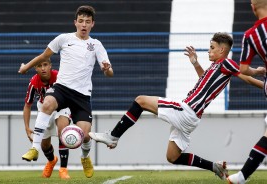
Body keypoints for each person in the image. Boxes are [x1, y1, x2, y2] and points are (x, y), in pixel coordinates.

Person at [89, 32, 264, 180]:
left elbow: (245, 76)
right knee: (172, 157)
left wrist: (261, 81)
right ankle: (215, 167)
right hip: (192, 117)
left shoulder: (226, 63)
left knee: (140, 100)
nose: (209, 50)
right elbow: (204, 80)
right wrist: (195, 62)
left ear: (222, 49)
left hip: (187, 110)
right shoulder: (217, 67)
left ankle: (113, 136)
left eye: (212, 47)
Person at [18, 5, 114, 178]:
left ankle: (85, 158)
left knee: (85, 135)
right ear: (75, 22)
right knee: (46, 104)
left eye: (88, 22)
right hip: (62, 89)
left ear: (93, 24)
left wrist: (107, 69)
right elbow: (43, 56)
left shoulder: (96, 45)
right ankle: (34, 149)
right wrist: (26, 68)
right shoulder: (63, 39)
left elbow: (109, 73)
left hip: (82, 96)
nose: (84, 24)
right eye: (81, 21)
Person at [227, 0, 267, 183]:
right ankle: (242, 176)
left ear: (253, 8)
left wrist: (257, 71)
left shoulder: (251, 35)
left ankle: (242, 176)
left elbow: (243, 69)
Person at [23, 58, 71, 179]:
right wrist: (27, 127)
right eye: (39, 66)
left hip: (61, 106)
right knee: (45, 145)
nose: (43, 68)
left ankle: (63, 169)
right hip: (44, 108)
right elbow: (27, 105)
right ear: (35, 68)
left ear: (50, 66)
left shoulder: (59, 77)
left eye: (45, 65)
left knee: (62, 131)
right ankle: (51, 161)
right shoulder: (34, 82)